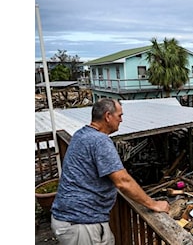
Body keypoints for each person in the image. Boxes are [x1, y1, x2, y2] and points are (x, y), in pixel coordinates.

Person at [50, 98, 170, 244]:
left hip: (74, 218)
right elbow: (123, 181)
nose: (121, 120)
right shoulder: (100, 141)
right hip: (80, 222)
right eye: (119, 115)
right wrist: (153, 204)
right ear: (108, 116)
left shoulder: (81, 134)